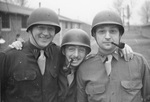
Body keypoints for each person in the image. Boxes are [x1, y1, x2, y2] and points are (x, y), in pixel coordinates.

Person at [76, 10, 150, 102]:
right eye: (102, 31)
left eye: (113, 31)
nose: (107, 36)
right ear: (94, 35)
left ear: (120, 34)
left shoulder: (139, 63)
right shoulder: (84, 68)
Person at [1, 7, 61, 102]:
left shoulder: (59, 53)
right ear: (30, 30)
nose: (46, 33)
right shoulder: (9, 57)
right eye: (40, 28)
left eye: (50, 29)